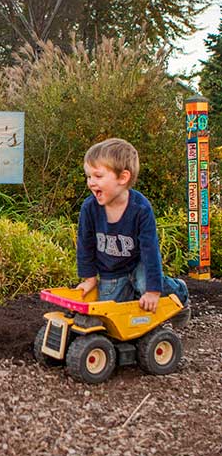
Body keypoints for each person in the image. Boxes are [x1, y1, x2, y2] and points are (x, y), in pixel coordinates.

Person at [75, 138, 189, 326]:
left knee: (146, 285)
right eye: (88, 176)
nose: (90, 182)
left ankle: (179, 292)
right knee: (111, 314)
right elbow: (85, 245)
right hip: (111, 270)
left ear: (123, 178)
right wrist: (89, 279)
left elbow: (150, 250)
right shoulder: (89, 208)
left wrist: (153, 291)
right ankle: (135, 296)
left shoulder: (140, 209)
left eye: (97, 176)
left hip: (139, 264)